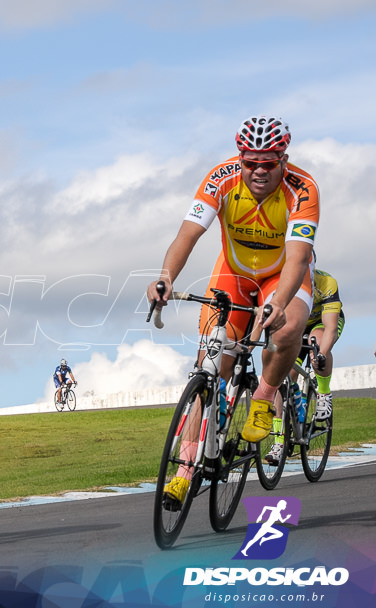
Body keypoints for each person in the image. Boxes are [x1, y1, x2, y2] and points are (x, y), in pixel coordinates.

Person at [147, 115, 320, 508]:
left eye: (269, 163)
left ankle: (263, 397)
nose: (259, 170)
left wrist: (276, 303)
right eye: (250, 162)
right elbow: (187, 235)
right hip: (233, 275)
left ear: (284, 159)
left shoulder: (303, 189)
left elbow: (297, 259)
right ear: (240, 158)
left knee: (287, 327)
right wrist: (165, 278)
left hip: (282, 276)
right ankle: (184, 470)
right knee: (209, 367)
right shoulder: (221, 178)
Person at [266, 266, 344, 464]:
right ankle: (278, 442)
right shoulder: (283, 284)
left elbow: (331, 328)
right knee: (284, 375)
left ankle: (324, 393)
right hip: (298, 324)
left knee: (316, 346)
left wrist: (322, 354)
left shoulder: (326, 283)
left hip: (322, 324)